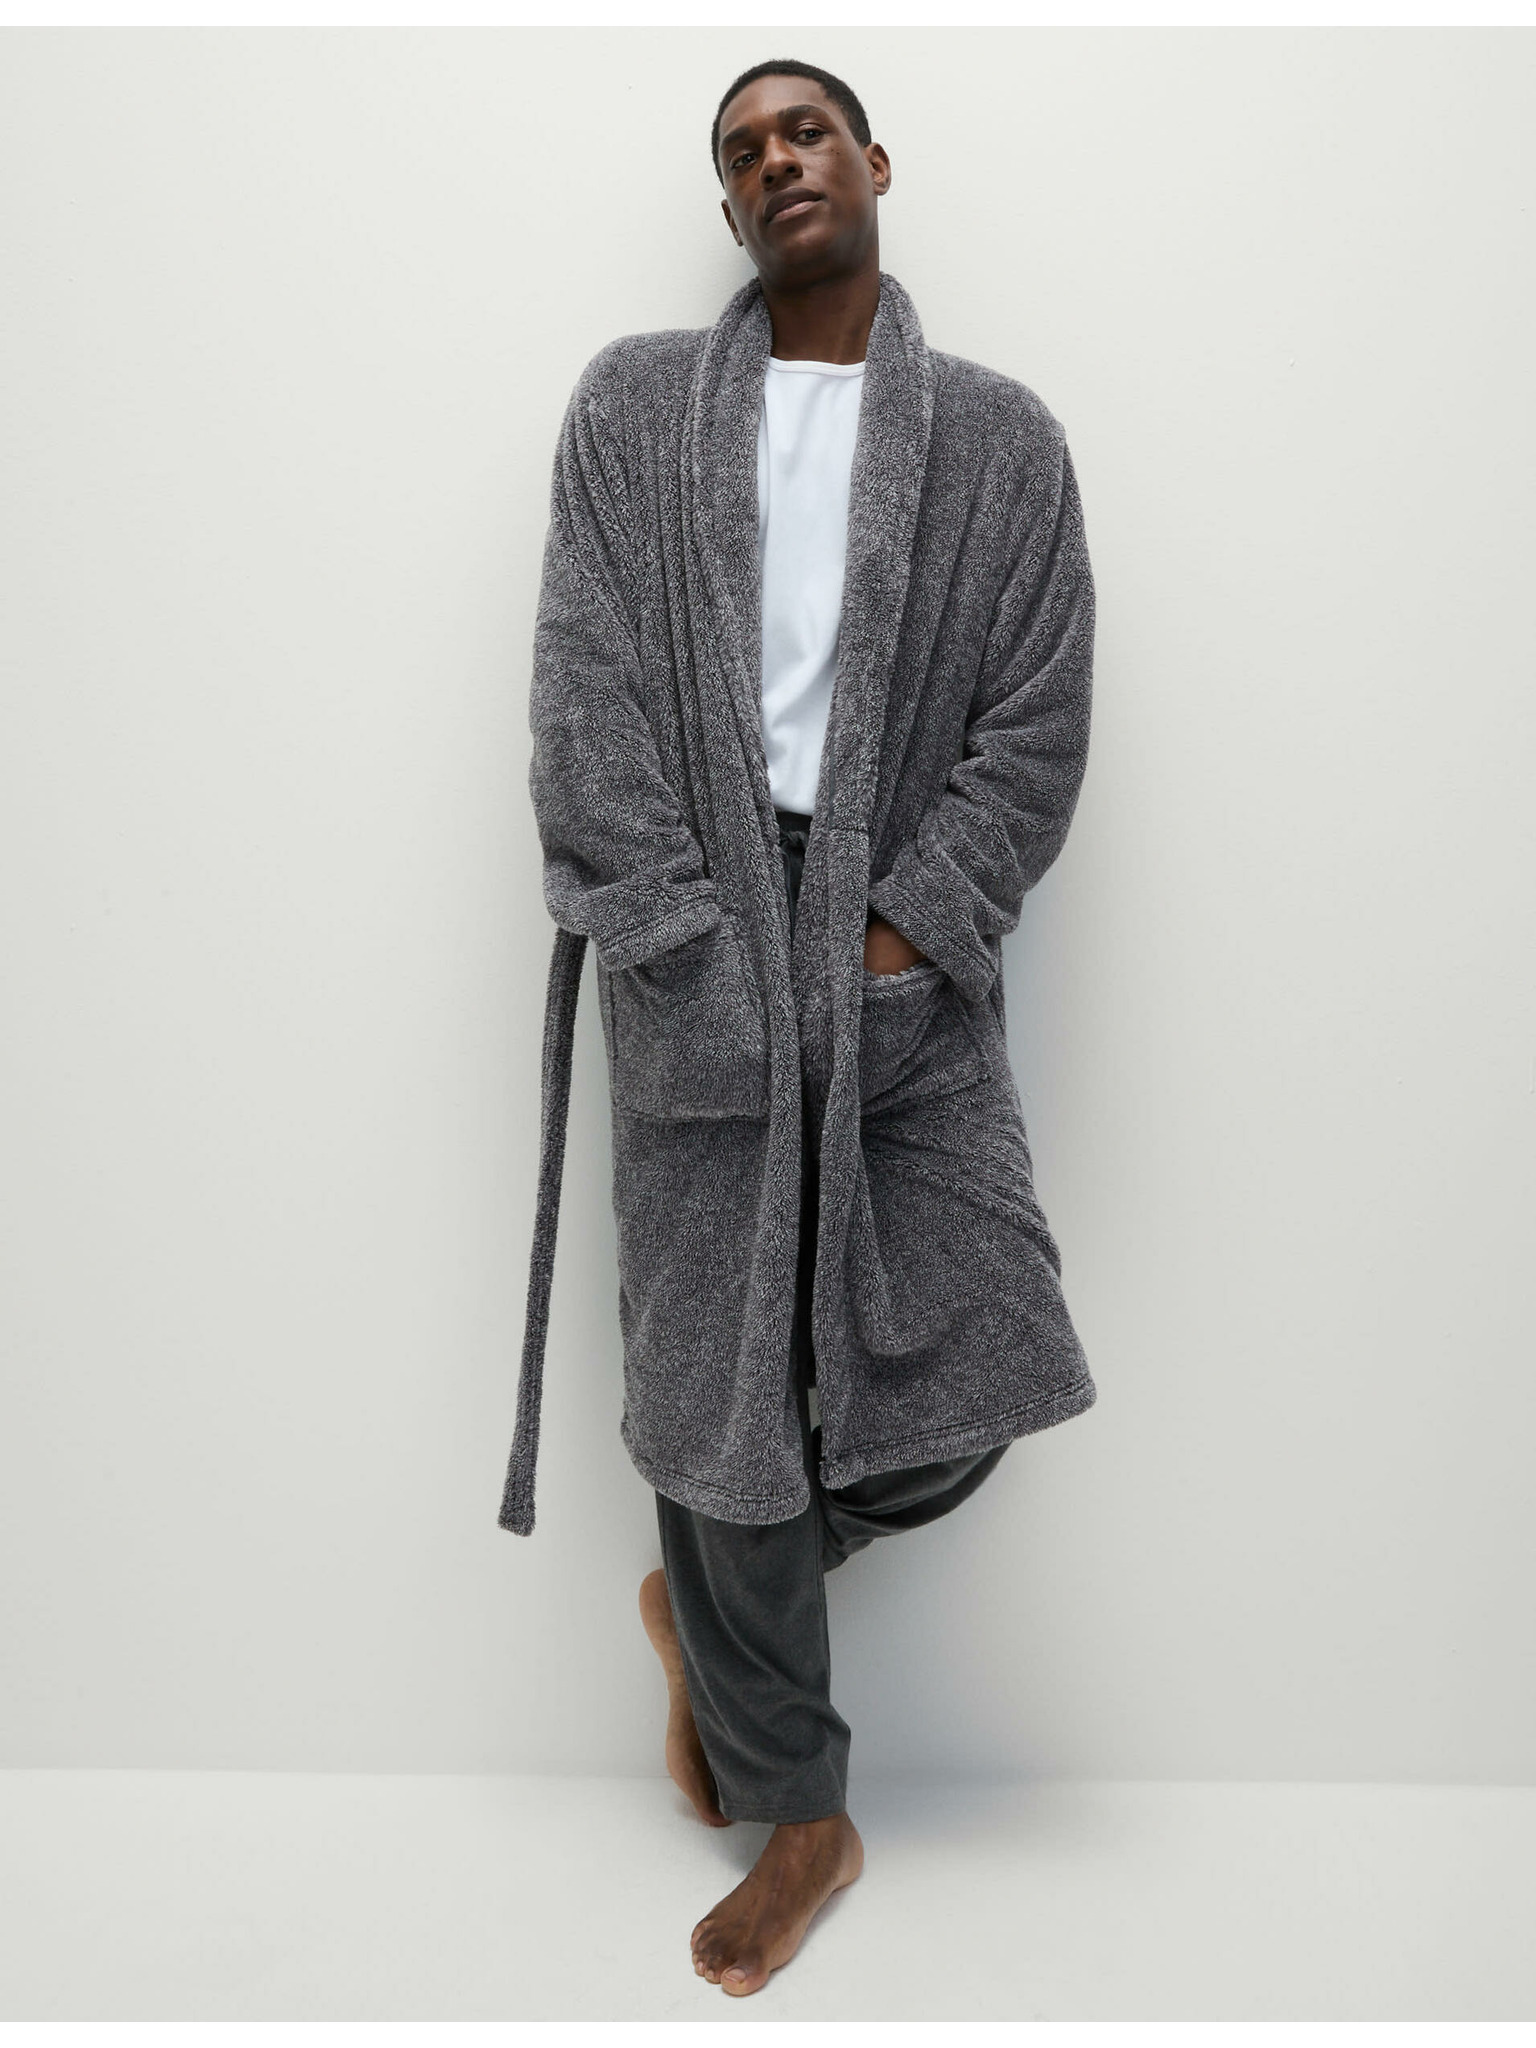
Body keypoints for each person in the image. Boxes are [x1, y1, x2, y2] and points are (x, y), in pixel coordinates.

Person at [499, 56, 1097, 1998]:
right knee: (717, 1391)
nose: (776, 161)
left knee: (974, 1366)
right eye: (742, 150)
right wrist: (686, 935)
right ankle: (803, 1808)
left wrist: (906, 938)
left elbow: (1037, 723)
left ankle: (712, 1609)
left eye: (805, 130)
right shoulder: (634, 412)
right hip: (698, 920)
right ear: (730, 206)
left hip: (892, 920)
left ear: (875, 161)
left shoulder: (999, 441)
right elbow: (582, 691)